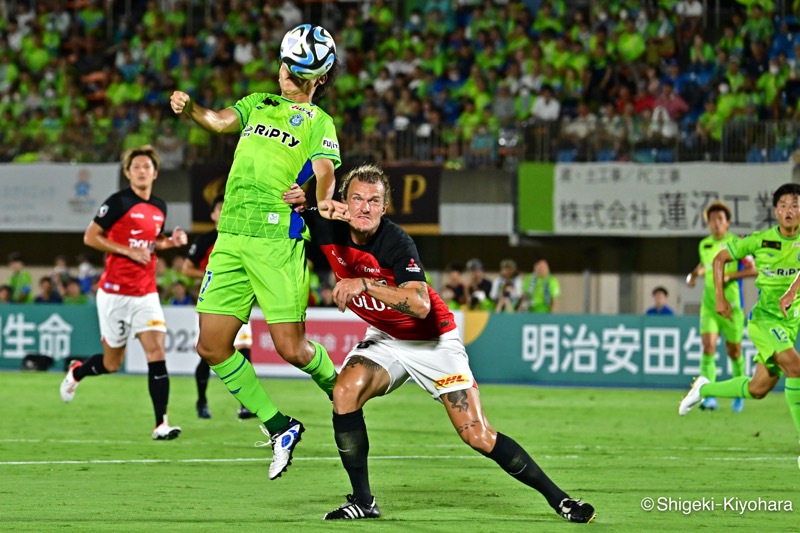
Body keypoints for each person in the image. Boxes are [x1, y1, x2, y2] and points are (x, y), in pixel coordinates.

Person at [306, 165, 595, 523]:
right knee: (344, 394)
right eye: (357, 199)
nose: (365, 208)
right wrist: (294, 200)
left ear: (385, 207)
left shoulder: (396, 242)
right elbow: (288, 206)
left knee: (477, 435)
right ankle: (364, 501)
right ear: (342, 203)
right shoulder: (321, 223)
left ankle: (561, 500)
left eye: (374, 201)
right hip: (385, 339)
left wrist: (364, 284)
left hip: (432, 340)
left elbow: (420, 304)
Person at [169, 24, 350, 480]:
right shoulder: (256, 104)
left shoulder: (317, 122)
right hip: (230, 237)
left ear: (319, 79)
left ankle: (341, 388)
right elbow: (216, 121)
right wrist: (191, 109)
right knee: (211, 347)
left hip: (277, 239)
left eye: (298, 69)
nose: (286, 73)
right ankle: (280, 426)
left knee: (291, 348)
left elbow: (326, 171)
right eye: (286, 65)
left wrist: (319, 197)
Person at [60, 145, 188, 441]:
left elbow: (152, 243)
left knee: (156, 353)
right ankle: (78, 372)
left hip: (146, 294)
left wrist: (172, 242)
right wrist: (126, 250)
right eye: (136, 167)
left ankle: (161, 424)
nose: (142, 171)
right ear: (128, 173)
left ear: (155, 173)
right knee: (111, 364)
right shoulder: (117, 203)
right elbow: (91, 237)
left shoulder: (159, 207)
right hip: (115, 294)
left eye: (147, 166)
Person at [680, 183, 800, 467]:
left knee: (758, 389)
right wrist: (720, 297)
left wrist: (793, 289)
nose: (789, 211)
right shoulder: (759, 240)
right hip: (764, 320)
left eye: (795, 205)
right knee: (796, 367)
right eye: (783, 205)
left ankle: (704, 389)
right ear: (775, 211)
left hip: (791, 324)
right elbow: (721, 258)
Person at [685, 201, 756, 412]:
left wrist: (730, 275)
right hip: (709, 305)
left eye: (720, 219)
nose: (716, 223)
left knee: (734, 351)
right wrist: (694, 275)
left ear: (727, 223)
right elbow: (704, 265)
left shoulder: (736, 243)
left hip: (731, 306)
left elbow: (753, 270)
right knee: (708, 347)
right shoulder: (704, 245)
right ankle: (709, 396)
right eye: (712, 220)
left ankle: (739, 393)